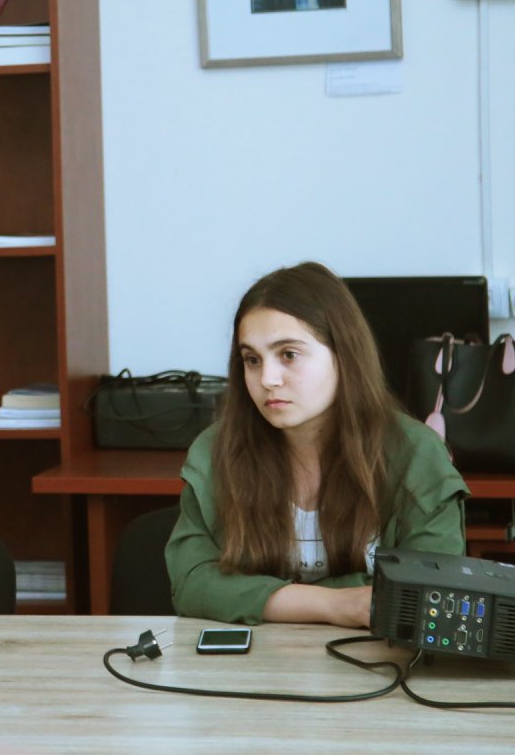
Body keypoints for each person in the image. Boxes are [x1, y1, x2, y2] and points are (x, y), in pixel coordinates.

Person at [166, 262, 468, 628]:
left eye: (289, 355)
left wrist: (253, 593)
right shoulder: (216, 449)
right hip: (257, 656)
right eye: (252, 360)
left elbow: (429, 596)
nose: (268, 379)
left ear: (344, 354)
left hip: (373, 655)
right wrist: (338, 604)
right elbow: (193, 583)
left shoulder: (415, 453)